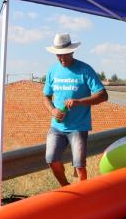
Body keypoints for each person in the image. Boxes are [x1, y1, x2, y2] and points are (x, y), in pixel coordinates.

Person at [43, 33, 108, 186]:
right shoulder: (52, 71)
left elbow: (103, 95)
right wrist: (53, 110)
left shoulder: (85, 70)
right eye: (58, 55)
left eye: (65, 55)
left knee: (79, 166)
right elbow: (45, 97)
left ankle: (82, 195)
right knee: (51, 160)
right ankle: (66, 188)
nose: (62, 59)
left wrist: (78, 102)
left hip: (78, 127)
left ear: (72, 51)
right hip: (57, 126)